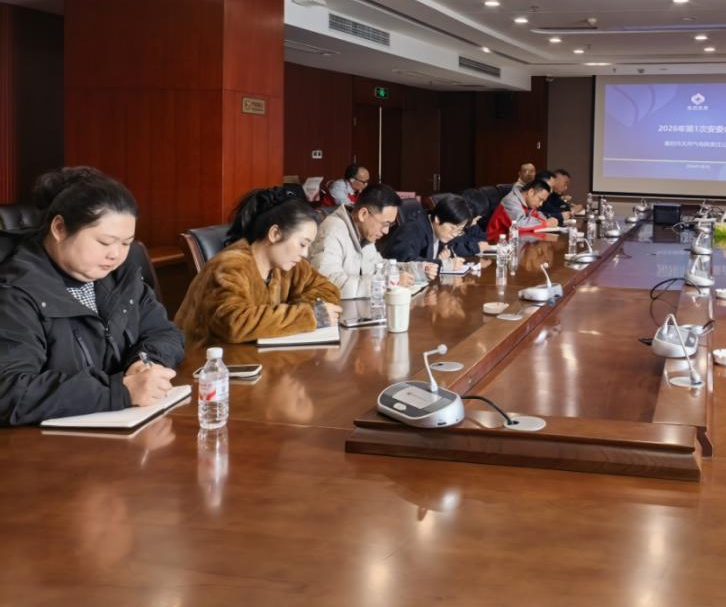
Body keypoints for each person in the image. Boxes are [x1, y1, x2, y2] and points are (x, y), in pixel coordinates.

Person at [0, 167, 185, 426]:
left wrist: (145, 363)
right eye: (105, 242)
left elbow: (164, 332)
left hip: (119, 428)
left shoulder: (121, 276)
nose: (116, 255)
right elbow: (9, 391)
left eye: (126, 243)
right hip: (44, 444)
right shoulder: (15, 292)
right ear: (59, 228)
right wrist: (119, 391)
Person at [175, 188, 341, 343]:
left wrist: (291, 315)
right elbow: (234, 323)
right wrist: (306, 316)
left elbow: (328, 290)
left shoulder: (288, 265)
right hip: (204, 358)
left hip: (255, 357)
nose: (305, 253)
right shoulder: (230, 265)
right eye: (302, 244)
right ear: (275, 234)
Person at [308, 184, 430, 297]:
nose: (386, 231)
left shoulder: (364, 232)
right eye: (385, 224)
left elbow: (378, 266)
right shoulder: (332, 231)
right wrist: (386, 283)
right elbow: (328, 284)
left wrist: (417, 269)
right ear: (363, 214)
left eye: (390, 225)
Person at [384, 195, 471, 272]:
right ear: (437, 219)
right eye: (452, 228)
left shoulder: (440, 231)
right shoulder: (413, 229)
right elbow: (405, 262)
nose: (454, 234)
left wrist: (439, 258)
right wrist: (444, 264)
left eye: (459, 230)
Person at [488, 178, 556, 242]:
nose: (541, 204)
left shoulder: (528, 203)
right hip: (497, 242)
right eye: (540, 199)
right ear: (531, 192)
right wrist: (545, 223)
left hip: (516, 240)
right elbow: (519, 224)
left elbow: (537, 215)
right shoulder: (511, 201)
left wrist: (547, 221)